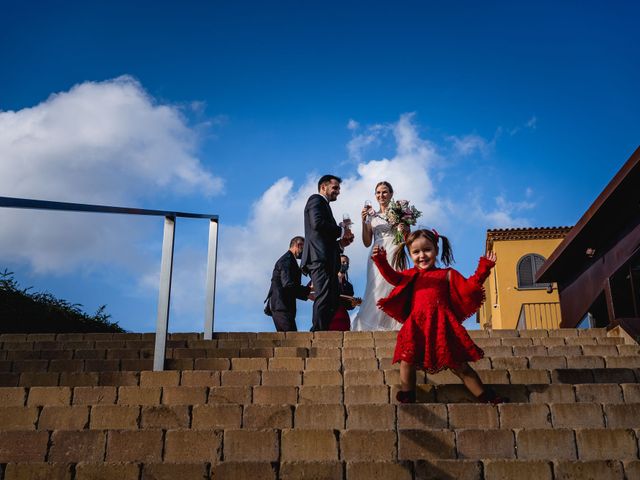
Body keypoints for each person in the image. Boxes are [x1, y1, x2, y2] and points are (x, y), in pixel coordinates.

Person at [372, 229, 506, 404]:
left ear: (436, 249)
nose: (422, 255)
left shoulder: (448, 274)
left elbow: (470, 286)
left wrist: (484, 267)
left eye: (427, 250)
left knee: (460, 367)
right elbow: (392, 277)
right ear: (410, 254)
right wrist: (381, 261)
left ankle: (486, 397)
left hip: (442, 325)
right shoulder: (410, 275)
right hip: (417, 326)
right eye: (416, 252)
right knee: (407, 360)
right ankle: (408, 396)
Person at [301, 174, 354, 331]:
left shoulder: (325, 205)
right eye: (335, 187)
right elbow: (317, 224)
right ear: (323, 187)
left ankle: (320, 330)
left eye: (339, 188)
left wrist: (341, 244)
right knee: (324, 296)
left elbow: (324, 239)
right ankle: (318, 333)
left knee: (331, 298)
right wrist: (341, 229)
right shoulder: (315, 200)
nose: (338, 191)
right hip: (318, 259)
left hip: (326, 258)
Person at [352, 181, 402, 331]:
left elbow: (407, 236)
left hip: (395, 252)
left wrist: (402, 226)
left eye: (385, 192)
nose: (381, 195)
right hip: (377, 252)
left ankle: (395, 324)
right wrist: (363, 221)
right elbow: (367, 242)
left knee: (394, 286)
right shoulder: (371, 216)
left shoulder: (399, 213)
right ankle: (372, 325)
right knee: (376, 287)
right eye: (378, 192)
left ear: (391, 194)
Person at [265, 236, 312, 332]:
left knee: (288, 340)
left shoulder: (289, 260)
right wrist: (307, 291)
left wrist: (307, 294)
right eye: (304, 248)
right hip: (281, 306)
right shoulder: (287, 260)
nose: (305, 253)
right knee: (292, 340)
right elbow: (288, 285)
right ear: (298, 245)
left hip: (282, 306)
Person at [328, 255, 361, 331]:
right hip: (330, 316)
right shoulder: (328, 280)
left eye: (347, 263)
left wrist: (354, 303)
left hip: (343, 317)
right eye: (343, 262)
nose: (345, 264)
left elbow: (348, 306)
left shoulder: (349, 286)